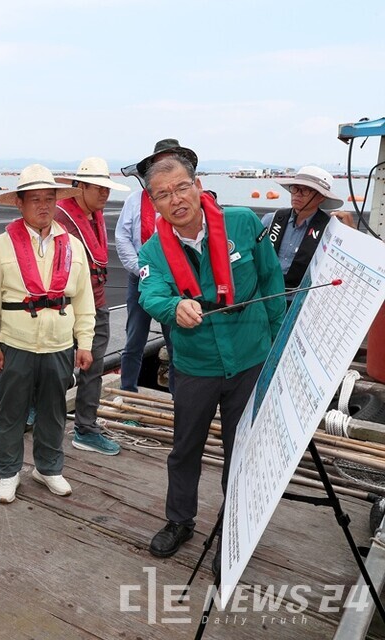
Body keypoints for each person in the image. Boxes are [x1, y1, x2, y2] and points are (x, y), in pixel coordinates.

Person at [136, 154, 284, 558]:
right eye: (164, 194)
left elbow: (272, 277)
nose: (176, 199)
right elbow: (151, 294)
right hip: (195, 365)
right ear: (154, 203)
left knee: (244, 449)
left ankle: (234, 529)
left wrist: (277, 346)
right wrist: (173, 308)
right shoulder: (152, 252)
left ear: (198, 186)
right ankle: (180, 520)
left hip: (251, 358)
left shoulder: (244, 222)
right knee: (185, 448)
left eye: (183, 187)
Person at [0, 165, 95, 504]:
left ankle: (48, 467)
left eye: (49, 199)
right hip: (15, 343)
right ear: (19, 203)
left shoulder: (73, 246)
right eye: (35, 199)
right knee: (10, 411)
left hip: (60, 344)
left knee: (54, 410)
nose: (44, 206)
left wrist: (85, 343)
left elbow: (83, 298)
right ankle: (7, 471)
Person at [54, 157, 130, 456]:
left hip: (96, 304)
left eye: (106, 189)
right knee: (56, 367)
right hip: (65, 307)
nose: (104, 194)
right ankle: (46, 416)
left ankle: (85, 427)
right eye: (98, 188)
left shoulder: (93, 214)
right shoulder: (62, 218)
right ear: (80, 187)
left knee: (93, 367)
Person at [115, 139, 191, 394]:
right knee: (134, 337)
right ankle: (128, 391)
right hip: (141, 277)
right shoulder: (134, 201)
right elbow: (123, 237)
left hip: (176, 281)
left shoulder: (186, 199)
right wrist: (141, 268)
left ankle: (177, 396)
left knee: (176, 341)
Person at [262, 166, 353, 297]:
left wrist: (349, 232)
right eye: (295, 189)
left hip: (299, 298)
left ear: (321, 197)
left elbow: (345, 264)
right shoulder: (271, 220)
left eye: (306, 191)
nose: (298, 194)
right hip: (264, 295)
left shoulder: (329, 229)